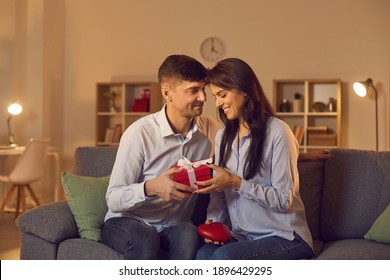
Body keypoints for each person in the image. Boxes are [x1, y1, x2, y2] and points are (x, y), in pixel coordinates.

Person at [102, 54, 220, 259]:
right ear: (167, 92)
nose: (203, 97)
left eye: (203, 89)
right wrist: (151, 188)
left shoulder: (212, 130)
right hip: (128, 222)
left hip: (174, 224)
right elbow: (113, 199)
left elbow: (222, 180)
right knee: (145, 237)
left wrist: (214, 218)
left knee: (189, 234)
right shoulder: (139, 133)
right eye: (193, 90)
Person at [195, 58, 314, 260]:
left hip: (285, 236)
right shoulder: (223, 135)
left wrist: (236, 182)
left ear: (244, 89)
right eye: (215, 97)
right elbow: (219, 194)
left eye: (222, 95)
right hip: (244, 237)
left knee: (224, 258)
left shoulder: (278, 132)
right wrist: (213, 222)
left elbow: (284, 200)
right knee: (203, 254)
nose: (218, 103)